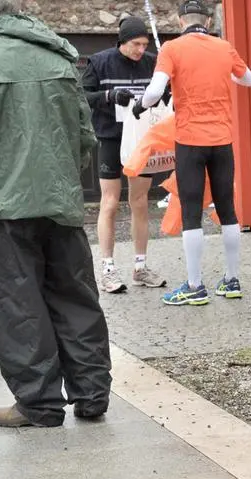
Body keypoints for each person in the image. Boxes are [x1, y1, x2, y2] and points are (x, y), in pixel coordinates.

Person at [0, 0, 113, 427]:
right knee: (75, 293)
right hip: (60, 199)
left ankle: (39, 404)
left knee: (17, 300)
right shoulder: (58, 54)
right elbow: (85, 135)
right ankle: (93, 394)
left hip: (3, 203)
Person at [136, 0, 251, 306]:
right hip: (222, 140)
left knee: (191, 212)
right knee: (227, 209)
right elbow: (248, 79)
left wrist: (140, 105)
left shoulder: (172, 49)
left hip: (190, 140)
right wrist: (222, 75)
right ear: (208, 19)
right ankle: (231, 280)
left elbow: (153, 92)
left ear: (180, 22)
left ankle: (194, 285)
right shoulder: (224, 46)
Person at [82, 16, 167, 293]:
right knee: (109, 201)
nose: (140, 50)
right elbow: (82, 96)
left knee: (140, 201)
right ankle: (107, 269)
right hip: (110, 136)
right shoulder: (99, 61)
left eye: (144, 44)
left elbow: (165, 92)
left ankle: (140, 267)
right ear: (122, 41)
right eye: (135, 44)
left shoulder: (152, 62)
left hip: (141, 139)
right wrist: (108, 96)